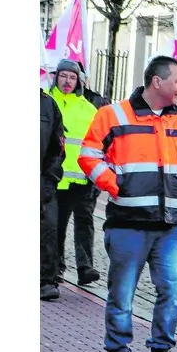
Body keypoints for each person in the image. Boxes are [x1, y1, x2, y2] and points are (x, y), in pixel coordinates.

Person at [80, 55, 177, 352]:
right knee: (121, 293)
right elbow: (88, 156)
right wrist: (116, 186)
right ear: (157, 82)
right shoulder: (113, 115)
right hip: (128, 223)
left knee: (173, 290)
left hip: (169, 226)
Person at [48, 59, 102, 287]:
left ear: (78, 80)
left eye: (72, 77)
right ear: (56, 77)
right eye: (63, 76)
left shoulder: (89, 109)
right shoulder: (47, 102)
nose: (68, 81)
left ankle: (85, 267)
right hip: (55, 178)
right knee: (55, 227)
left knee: (85, 224)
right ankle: (56, 266)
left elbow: (99, 143)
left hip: (83, 179)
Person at [41, 89, 66, 301]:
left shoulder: (48, 105)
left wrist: (49, 179)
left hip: (42, 181)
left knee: (48, 229)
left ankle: (46, 281)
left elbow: (58, 147)